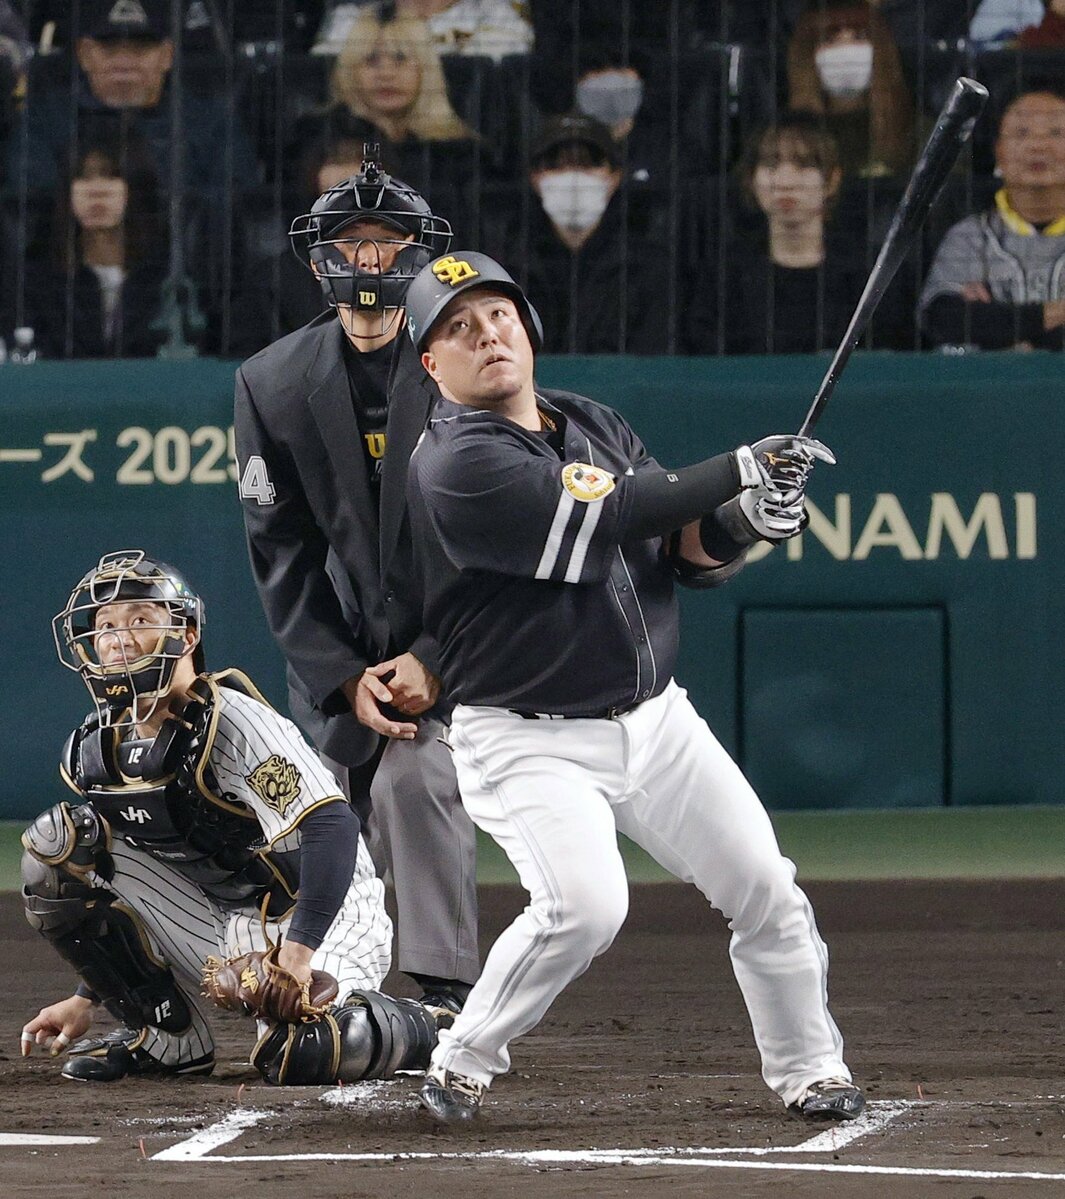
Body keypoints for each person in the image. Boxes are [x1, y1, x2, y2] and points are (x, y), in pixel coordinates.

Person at [400, 250, 865, 1125]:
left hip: (654, 723)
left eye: (497, 314)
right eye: (457, 328)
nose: (485, 334)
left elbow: (676, 551)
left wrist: (740, 523)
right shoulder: (456, 459)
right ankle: (461, 1056)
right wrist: (740, 465)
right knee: (584, 905)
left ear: (526, 329)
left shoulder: (591, 422)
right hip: (526, 735)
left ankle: (812, 1068)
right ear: (433, 365)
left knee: (765, 883)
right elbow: (612, 511)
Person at [20, 550, 441, 1085]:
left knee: (310, 1051)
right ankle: (166, 1039)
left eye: (140, 620)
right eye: (105, 625)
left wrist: (297, 953)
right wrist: (90, 997)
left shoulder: (232, 720)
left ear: (186, 635)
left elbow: (332, 827)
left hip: (317, 913)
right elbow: (129, 886)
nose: (118, 635)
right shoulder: (98, 748)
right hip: (223, 924)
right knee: (59, 846)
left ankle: (428, 1023)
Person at [233, 154, 480, 1018]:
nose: (370, 260)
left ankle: (448, 989)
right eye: (352, 242)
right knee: (323, 805)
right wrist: (342, 674)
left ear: (419, 256)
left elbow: (497, 537)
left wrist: (432, 659)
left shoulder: (471, 361)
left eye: (389, 242)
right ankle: (327, 980)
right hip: (340, 648)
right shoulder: (270, 381)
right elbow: (282, 550)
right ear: (318, 261)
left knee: (415, 778)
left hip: (465, 639)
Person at [686, 112, 914, 354]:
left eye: (804, 166)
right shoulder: (723, 274)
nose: (785, 182)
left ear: (832, 180)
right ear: (751, 179)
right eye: (771, 165)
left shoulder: (871, 272)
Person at [7, 0, 259, 197]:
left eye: (140, 48)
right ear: (84, 55)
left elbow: (232, 212)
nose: (124, 62)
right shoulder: (46, 122)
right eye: (110, 48)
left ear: (167, 55)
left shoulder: (210, 124)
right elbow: (34, 208)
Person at [498, 112, 676, 353]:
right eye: (556, 164)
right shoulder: (505, 267)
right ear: (535, 177)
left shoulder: (650, 267)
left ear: (615, 176)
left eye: (588, 162)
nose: (573, 176)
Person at [919, 86, 1065, 351]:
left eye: (1056, 133)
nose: (1039, 145)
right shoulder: (968, 237)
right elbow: (943, 321)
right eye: (1022, 133)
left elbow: (977, 326)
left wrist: (999, 325)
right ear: (999, 152)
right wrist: (1051, 315)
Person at [19, 133, 182, 358]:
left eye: (110, 176)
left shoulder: (168, 276)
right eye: (83, 177)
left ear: (134, 188)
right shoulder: (39, 281)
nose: (96, 190)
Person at [787, 0, 914, 180]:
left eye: (860, 37)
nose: (846, 49)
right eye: (830, 39)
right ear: (808, 53)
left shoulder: (919, 131)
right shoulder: (782, 139)